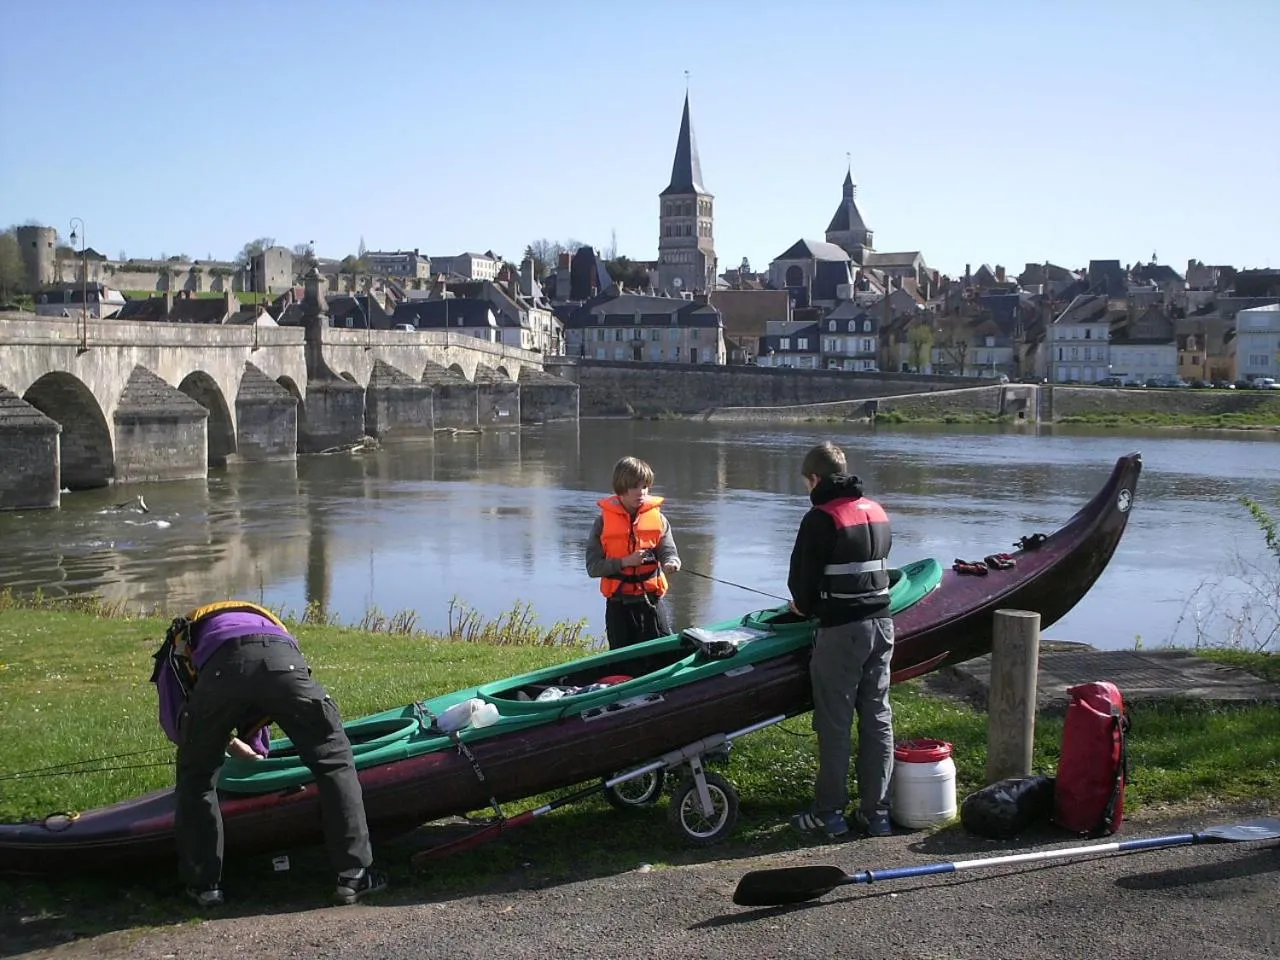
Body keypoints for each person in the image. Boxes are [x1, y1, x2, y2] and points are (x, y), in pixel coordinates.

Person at [151, 600, 387, 907]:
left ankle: (204, 885)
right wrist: (246, 747)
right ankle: (354, 875)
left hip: (221, 668)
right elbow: (262, 685)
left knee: (197, 777)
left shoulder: (181, 641)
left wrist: (218, 745)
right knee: (335, 760)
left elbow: (179, 722)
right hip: (284, 661)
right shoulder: (269, 624)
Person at [786, 441, 895, 839]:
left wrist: (804, 606)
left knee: (835, 723)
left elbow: (802, 588)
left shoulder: (819, 518)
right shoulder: (877, 511)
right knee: (878, 719)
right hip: (883, 627)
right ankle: (877, 812)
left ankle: (829, 813)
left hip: (841, 633)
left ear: (814, 478)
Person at [585, 456, 682, 650]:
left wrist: (672, 562)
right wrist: (625, 562)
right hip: (619, 605)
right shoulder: (602, 523)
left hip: (651, 602)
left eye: (645, 487)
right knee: (622, 661)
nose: (641, 492)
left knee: (665, 652)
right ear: (621, 489)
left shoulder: (659, 519)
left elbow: (668, 551)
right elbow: (593, 568)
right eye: (635, 487)